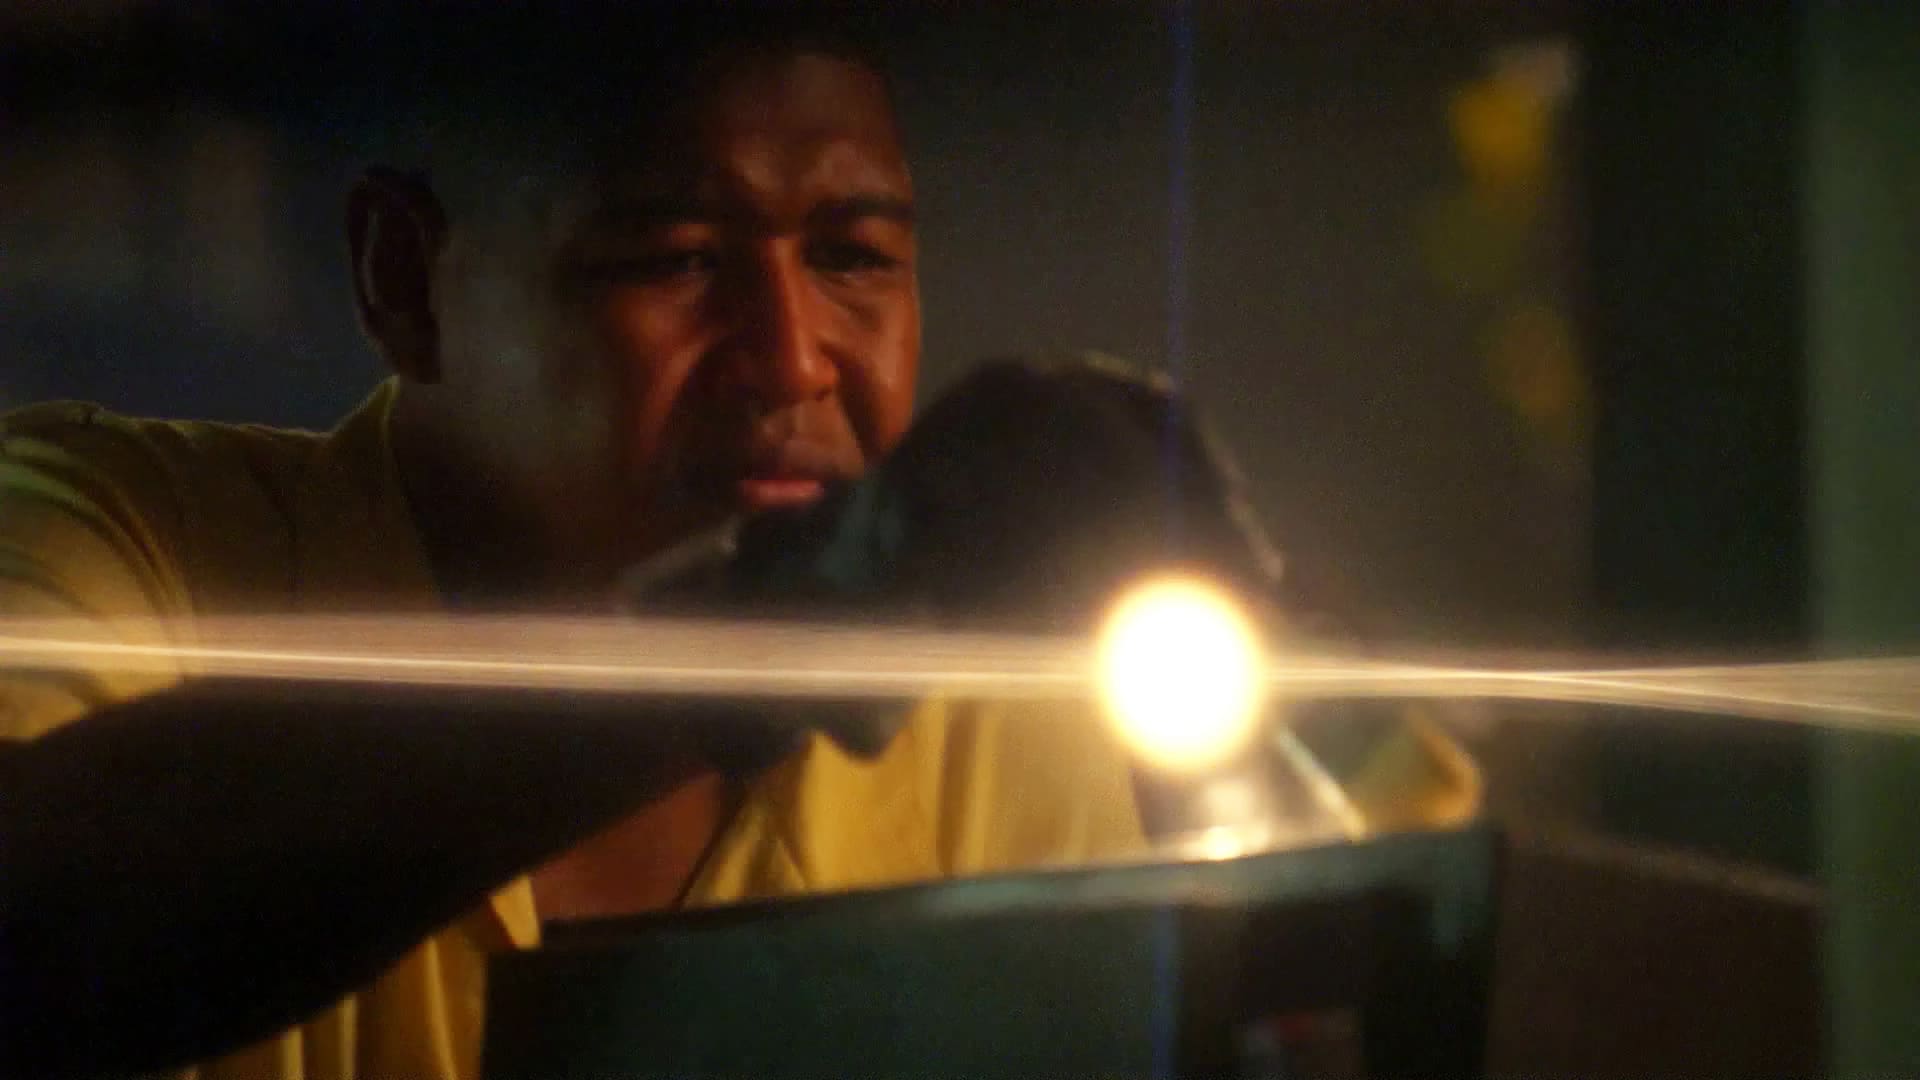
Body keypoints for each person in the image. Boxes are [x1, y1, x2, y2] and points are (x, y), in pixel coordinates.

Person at [0, 9, 1475, 1079]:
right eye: (678, 258)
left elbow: (1459, 935)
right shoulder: (111, 541)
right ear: (406, 278)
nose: (790, 360)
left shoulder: (1034, 693)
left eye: (852, 259)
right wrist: (788, 630)